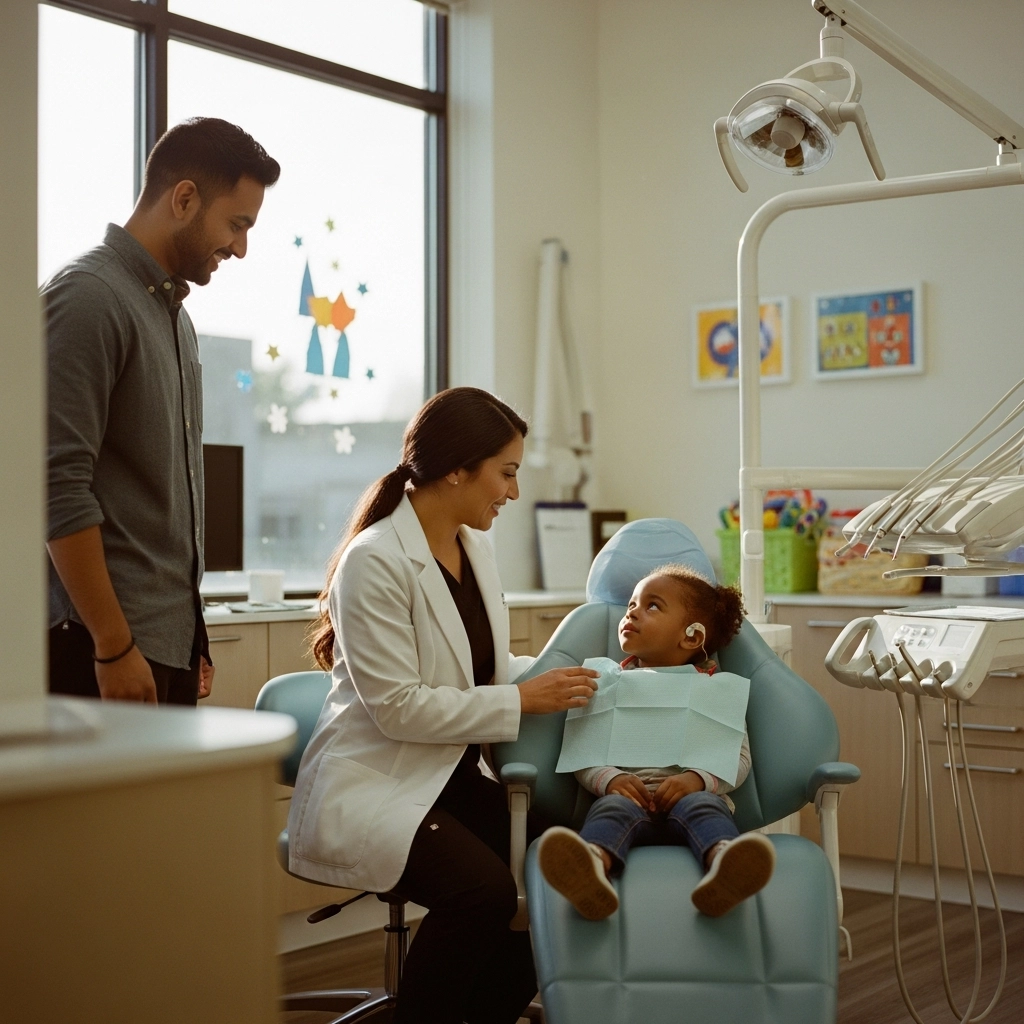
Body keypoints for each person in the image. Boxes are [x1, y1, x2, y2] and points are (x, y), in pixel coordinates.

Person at [289, 387, 600, 1024]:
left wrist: (567, 676)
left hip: (449, 778)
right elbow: (400, 708)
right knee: (482, 894)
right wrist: (520, 699)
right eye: (506, 473)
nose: (513, 493)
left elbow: (475, 670)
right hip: (379, 780)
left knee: (566, 866)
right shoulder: (374, 561)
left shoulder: (474, 548)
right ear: (457, 468)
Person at [44, 117, 280, 704]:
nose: (242, 248)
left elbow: (166, 505)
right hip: (98, 648)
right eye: (237, 224)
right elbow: (54, 484)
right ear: (183, 199)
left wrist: (189, 635)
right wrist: (113, 644)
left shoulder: (178, 318)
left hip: (157, 644)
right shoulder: (87, 298)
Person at [537, 564, 776, 920]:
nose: (632, 610)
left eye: (652, 606)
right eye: (632, 603)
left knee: (705, 808)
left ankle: (725, 864)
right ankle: (591, 868)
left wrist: (697, 781)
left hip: (693, 798)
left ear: (693, 636)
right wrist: (611, 781)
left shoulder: (717, 690)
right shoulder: (606, 683)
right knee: (608, 811)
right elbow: (584, 751)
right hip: (628, 804)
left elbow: (737, 758)